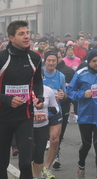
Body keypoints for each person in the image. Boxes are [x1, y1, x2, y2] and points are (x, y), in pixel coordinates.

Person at [0, 20, 44, 179]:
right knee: (2, 163)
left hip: (25, 116)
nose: (26, 36)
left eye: (27, 33)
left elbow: (37, 81)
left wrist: (40, 97)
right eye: (21, 34)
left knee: (25, 163)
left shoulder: (35, 58)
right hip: (2, 117)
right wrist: (7, 99)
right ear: (11, 37)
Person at [66, 49, 97, 179]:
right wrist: (83, 94)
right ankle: (81, 165)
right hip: (85, 116)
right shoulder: (81, 73)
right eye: (94, 61)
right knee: (86, 146)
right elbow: (70, 91)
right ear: (89, 61)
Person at [42, 51, 67, 179]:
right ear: (45, 61)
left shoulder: (61, 76)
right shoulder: (39, 73)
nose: (51, 63)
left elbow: (65, 93)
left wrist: (63, 95)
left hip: (55, 112)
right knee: (37, 142)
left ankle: (46, 168)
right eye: (49, 60)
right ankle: (35, 163)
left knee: (55, 140)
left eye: (54, 61)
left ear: (57, 62)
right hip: (39, 113)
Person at [32, 85, 59, 179]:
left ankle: (35, 176)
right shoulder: (25, 89)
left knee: (39, 154)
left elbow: (55, 105)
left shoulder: (48, 90)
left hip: (42, 126)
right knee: (29, 155)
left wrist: (55, 110)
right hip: (27, 127)